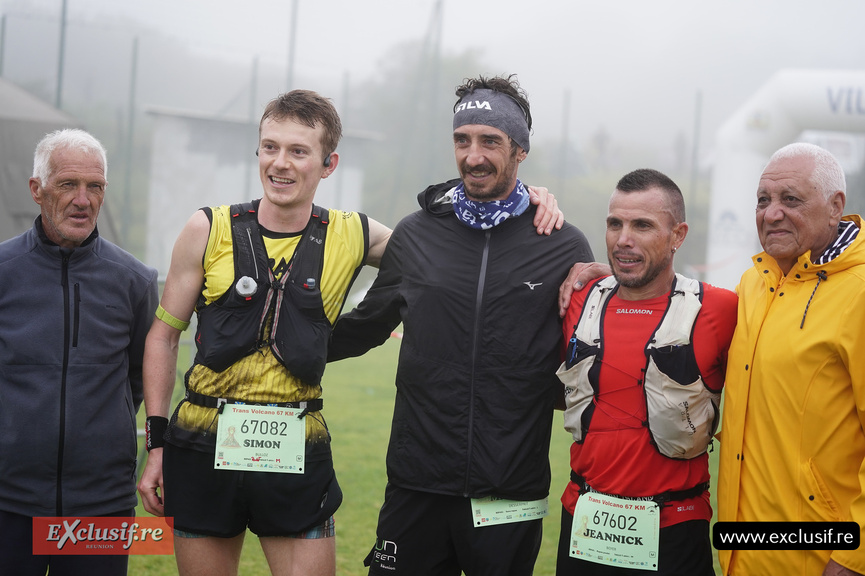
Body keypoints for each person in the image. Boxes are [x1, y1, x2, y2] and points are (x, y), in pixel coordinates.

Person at [136, 88, 563, 576]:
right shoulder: (207, 227)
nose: (280, 163)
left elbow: (443, 239)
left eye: (299, 151)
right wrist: (156, 442)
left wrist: (522, 197)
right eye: (270, 147)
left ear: (328, 164)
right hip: (202, 440)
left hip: (296, 446)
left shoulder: (354, 233)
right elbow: (163, 337)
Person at [327, 74, 595, 576]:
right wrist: (276, 342)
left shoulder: (562, 244)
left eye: (490, 141)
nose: (473, 156)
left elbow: (586, 357)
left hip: (510, 489)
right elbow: (365, 326)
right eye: (462, 140)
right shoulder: (416, 234)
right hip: (416, 483)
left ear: (520, 149)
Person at [555, 168, 737, 575]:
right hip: (584, 523)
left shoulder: (721, 310)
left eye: (642, 225)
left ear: (677, 235)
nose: (623, 239)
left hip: (675, 530)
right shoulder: (579, 299)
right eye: (614, 224)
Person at [0, 129, 159, 575]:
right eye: (68, 184)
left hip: (100, 504)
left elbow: (138, 377)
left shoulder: (135, 281)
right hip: (8, 500)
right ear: (37, 189)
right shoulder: (3, 272)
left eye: (96, 186)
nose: (83, 200)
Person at [716, 143, 865, 576]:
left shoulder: (859, 292)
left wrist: (854, 557)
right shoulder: (753, 283)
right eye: (763, 200)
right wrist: (616, 281)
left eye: (791, 199)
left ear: (835, 206)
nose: (772, 213)